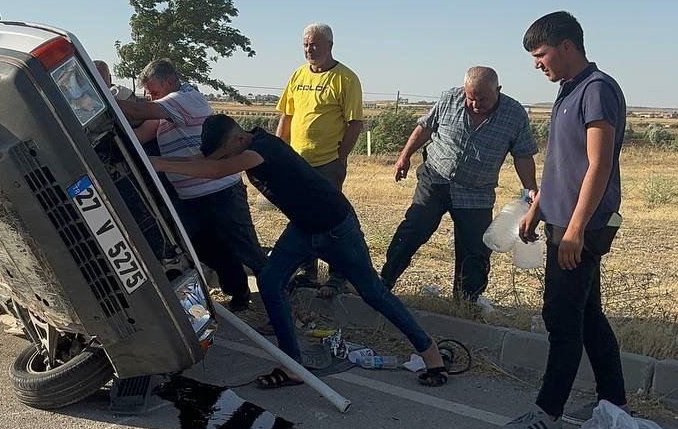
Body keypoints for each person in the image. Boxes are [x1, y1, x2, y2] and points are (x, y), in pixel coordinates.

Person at [152, 113, 450, 388]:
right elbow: (203, 160)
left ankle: (431, 354)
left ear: (238, 139)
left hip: (337, 228)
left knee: (373, 292)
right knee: (270, 281)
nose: (229, 160)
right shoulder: (245, 143)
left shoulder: (260, 150)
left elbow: (215, 169)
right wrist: (151, 158)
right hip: (303, 229)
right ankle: (292, 364)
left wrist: (160, 164)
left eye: (228, 154)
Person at [496, 11, 628, 429]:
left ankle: (547, 414)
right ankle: (613, 402)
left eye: (541, 53)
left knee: (562, 316)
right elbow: (562, 164)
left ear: (567, 46)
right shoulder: (569, 91)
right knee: (588, 315)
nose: (537, 63)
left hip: (581, 228)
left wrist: (573, 230)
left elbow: (598, 164)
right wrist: (538, 208)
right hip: (560, 218)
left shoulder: (597, 90)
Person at [115, 59, 266, 311]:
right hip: (190, 197)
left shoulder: (185, 99)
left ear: (171, 83)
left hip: (219, 191)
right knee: (203, 247)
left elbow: (139, 113)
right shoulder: (165, 110)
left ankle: (275, 304)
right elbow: (140, 135)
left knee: (246, 247)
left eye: (153, 92)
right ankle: (238, 292)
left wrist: (92, 102)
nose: (150, 98)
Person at [380, 67, 539, 302]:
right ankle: (384, 282)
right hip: (435, 179)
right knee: (414, 228)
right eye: (470, 98)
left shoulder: (514, 114)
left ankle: (465, 302)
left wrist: (531, 189)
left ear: (498, 91)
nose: (475, 104)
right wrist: (404, 156)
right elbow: (425, 127)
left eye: (482, 99)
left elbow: (523, 155)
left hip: (476, 191)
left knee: (475, 249)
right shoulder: (448, 99)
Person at [276, 23, 364, 298]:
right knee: (301, 217)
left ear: (329, 45)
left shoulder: (346, 78)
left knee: (330, 221)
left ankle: (338, 276)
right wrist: (278, 151)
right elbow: (286, 116)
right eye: (305, 44)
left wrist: (340, 158)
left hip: (327, 164)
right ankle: (307, 271)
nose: (309, 50)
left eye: (314, 44)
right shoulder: (297, 75)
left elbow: (355, 123)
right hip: (297, 162)